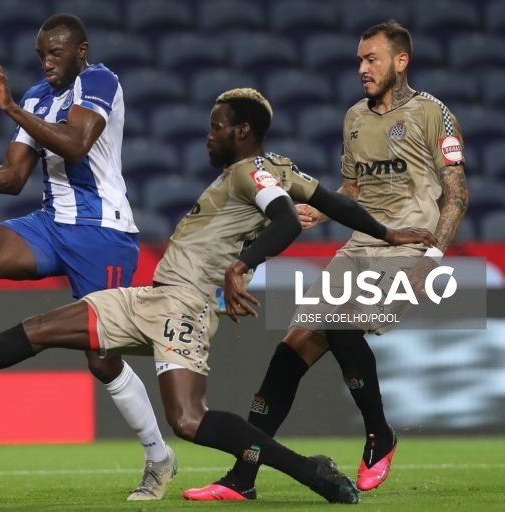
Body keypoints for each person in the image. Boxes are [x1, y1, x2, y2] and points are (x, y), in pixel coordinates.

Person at [0, 87, 438, 504]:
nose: (208, 135)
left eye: (217, 126)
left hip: (185, 306)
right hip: (149, 298)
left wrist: (242, 265)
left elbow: (285, 219)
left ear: (241, 132)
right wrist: (387, 233)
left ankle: (309, 471)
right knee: (37, 332)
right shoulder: (276, 168)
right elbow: (330, 203)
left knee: (188, 419)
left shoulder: (251, 172)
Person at [0, 13, 173, 501]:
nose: (46, 63)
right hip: (51, 224)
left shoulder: (99, 81)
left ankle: (159, 456)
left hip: (103, 234)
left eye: (55, 53)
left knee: (101, 359)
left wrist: (11, 109)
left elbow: (77, 145)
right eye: (41, 54)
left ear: (80, 52)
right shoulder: (38, 98)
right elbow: (11, 178)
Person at [183, 19, 469, 501]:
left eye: (372, 59)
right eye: (359, 60)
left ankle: (379, 433)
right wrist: (314, 212)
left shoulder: (432, 114)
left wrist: (432, 259)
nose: (362, 68)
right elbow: (353, 190)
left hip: (407, 249)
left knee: (340, 323)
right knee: (289, 352)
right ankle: (242, 478)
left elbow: (457, 194)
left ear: (401, 61)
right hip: (357, 248)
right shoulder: (354, 117)